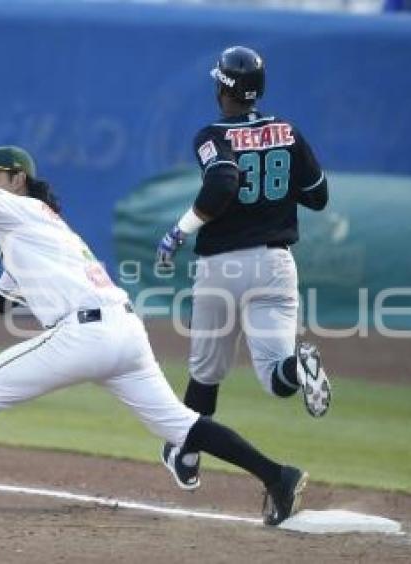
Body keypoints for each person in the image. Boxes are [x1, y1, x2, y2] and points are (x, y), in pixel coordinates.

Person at [0, 134, 307, 526]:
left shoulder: (19, 208)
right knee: (179, 424)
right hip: (124, 334)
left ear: (17, 180)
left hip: (87, 333)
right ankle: (277, 475)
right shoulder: (29, 234)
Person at [156, 46, 331, 491]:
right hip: (276, 263)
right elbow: (318, 196)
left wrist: (179, 231)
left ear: (223, 88)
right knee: (277, 378)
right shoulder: (287, 132)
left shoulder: (211, 135)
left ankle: (189, 454)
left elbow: (223, 181)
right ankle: (300, 367)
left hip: (222, 266)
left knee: (205, 374)